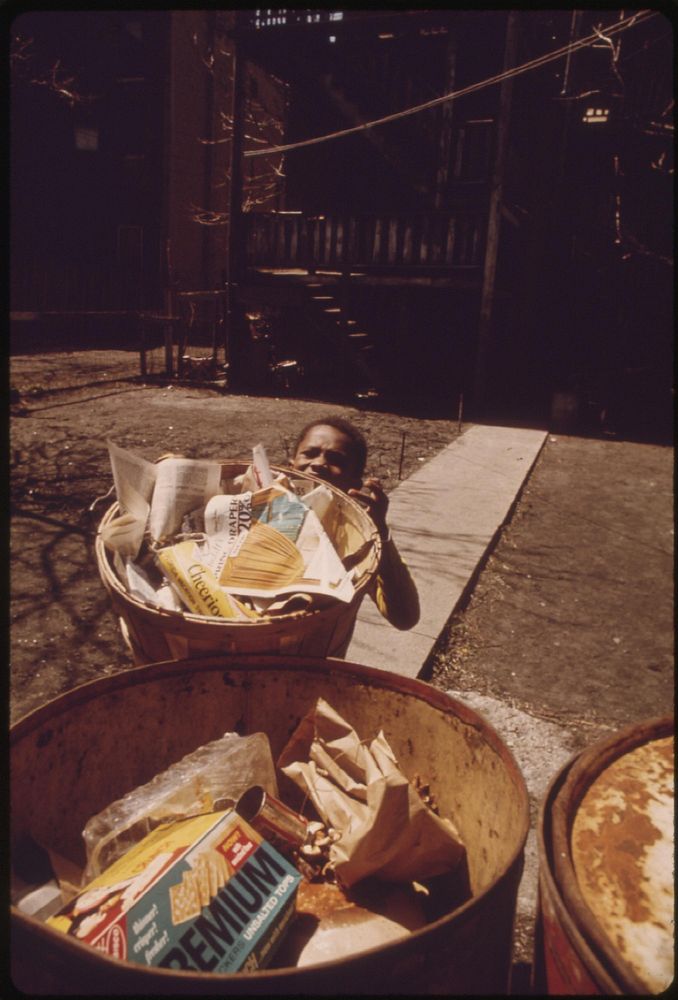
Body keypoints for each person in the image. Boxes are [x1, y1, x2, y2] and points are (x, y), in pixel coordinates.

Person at [291, 416, 419, 631]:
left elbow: (405, 617)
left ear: (354, 483)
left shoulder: (359, 542)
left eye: (335, 460)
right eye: (309, 453)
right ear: (291, 464)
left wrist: (379, 531)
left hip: (314, 656)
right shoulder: (253, 510)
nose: (318, 464)